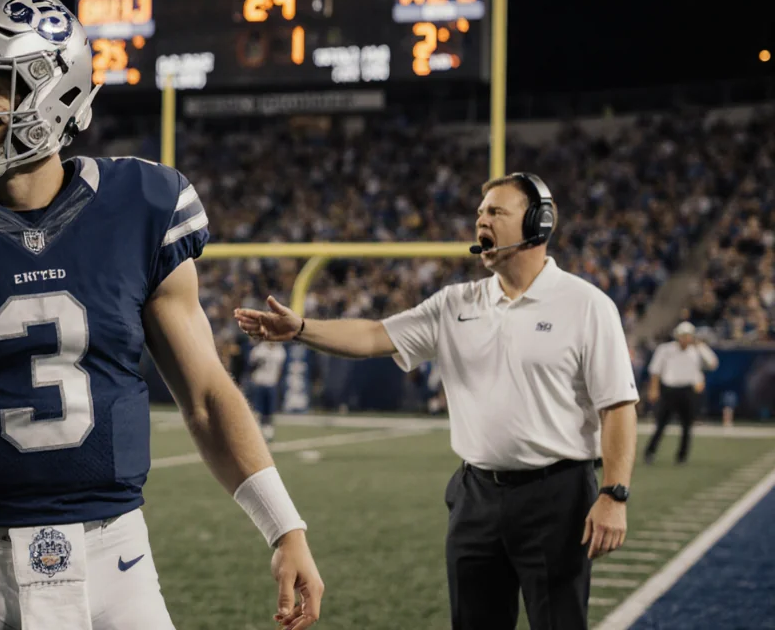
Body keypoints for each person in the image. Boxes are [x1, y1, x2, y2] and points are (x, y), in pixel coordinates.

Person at [0, 0, 323, 630]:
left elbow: (205, 396)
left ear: (51, 88)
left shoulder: (142, 207)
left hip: (116, 558)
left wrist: (286, 528)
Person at [237, 172, 639, 630]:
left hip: (558, 495)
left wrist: (614, 493)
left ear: (538, 223)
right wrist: (302, 330)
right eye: (479, 213)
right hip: (476, 496)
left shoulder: (586, 305)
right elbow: (374, 334)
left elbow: (618, 406)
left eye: (496, 212)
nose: (481, 221)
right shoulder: (455, 303)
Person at [644, 321, 719, 464]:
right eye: (683, 335)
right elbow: (655, 371)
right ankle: (650, 452)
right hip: (669, 390)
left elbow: (712, 363)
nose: (685, 339)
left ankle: (682, 457)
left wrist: (701, 346)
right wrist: (653, 389)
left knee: (687, 426)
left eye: (688, 336)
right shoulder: (665, 349)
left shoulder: (696, 350)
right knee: (661, 424)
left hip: (687, 391)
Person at [244, 340, 287, 442]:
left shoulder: (280, 351)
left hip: (271, 383)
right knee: (258, 410)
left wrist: (276, 380)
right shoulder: (259, 349)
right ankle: (257, 431)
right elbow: (250, 367)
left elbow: (280, 369)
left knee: (269, 410)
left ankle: (268, 431)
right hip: (259, 382)